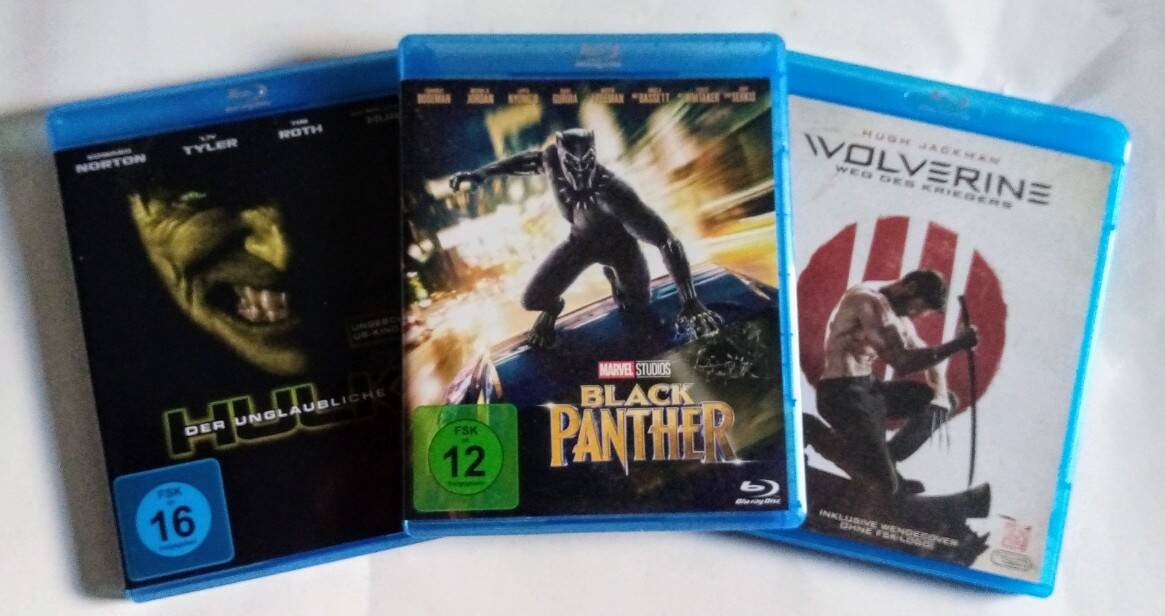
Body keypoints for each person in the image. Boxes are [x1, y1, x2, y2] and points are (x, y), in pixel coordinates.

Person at [449, 128, 722, 348]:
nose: (580, 172)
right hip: (580, 243)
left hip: (621, 249)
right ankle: (553, 309)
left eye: (587, 162)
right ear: (561, 157)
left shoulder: (614, 193)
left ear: (594, 156)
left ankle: (614, 276)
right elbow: (525, 162)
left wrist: (690, 301)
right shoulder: (551, 160)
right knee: (532, 299)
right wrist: (481, 174)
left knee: (637, 305)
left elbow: (667, 241)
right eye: (572, 164)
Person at [806, 270, 978, 495]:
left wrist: (941, 398)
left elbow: (925, 354)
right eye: (918, 308)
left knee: (945, 400)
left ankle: (885, 459)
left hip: (869, 389)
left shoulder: (898, 312)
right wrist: (956, 345)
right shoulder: (867, 301)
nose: (916, 315)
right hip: (841, 396)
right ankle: (812, 429)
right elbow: (901, 362)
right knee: (885, 486)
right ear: (911, 288)